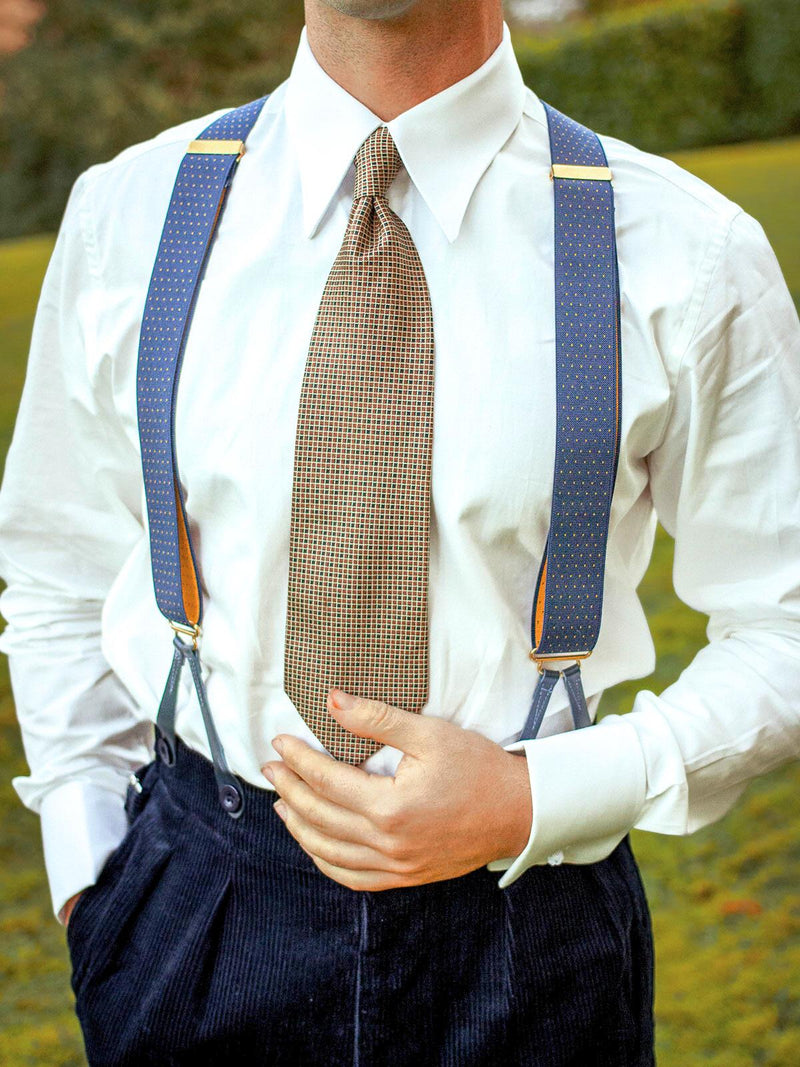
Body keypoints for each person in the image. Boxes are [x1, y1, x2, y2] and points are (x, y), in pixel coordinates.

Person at [1, 0, 798, 1063]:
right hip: (194, 912)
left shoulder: (686, 252)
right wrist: (89, 869)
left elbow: (785, 622)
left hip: (531, 924)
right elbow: (58, 560)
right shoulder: (130, 215)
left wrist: (533, 796)